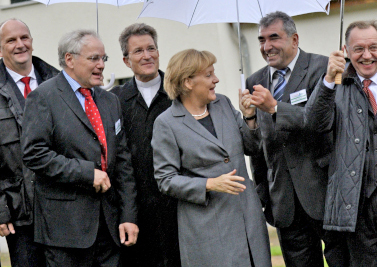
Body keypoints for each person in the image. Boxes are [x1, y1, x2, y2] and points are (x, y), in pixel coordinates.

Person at [21, 29, 139, 267]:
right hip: (66, 231)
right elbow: (34, 153)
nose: (101, 65)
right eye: (94, 58)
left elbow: (123, 163)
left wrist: (128, 216)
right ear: (69, 59)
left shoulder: (109, 101)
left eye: (103, 58)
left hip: (110, 227)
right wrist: (86, 173)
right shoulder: (43, 97)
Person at [244, 11, 348, 267]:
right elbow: (257, 149)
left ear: (294, 39)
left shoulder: (324, 69)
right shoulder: (254, 81)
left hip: (326, 195)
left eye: (274, 38)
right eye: (261, 40)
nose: (266, 47)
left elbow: (321, 122)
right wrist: (249, 120)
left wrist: (275, 108)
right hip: (284, 204)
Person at [151, 49, 271, 267]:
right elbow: (165, 179)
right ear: (188, 82)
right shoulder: (166, 123)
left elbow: (252, 147)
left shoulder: (223, 104)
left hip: (247, 218)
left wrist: (250, 117)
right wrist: (210, 184)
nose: (215, 79)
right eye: (208, 75)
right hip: (207, 228)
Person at [305, 20, 377, 266]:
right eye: (358, 49)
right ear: (346, 51)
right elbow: (314, 124)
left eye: (373, 47)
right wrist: (327, 79)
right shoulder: (335, 86)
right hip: (354, 204)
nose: (366, 55)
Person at [111, 23, 180, 267]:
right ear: (126, 60)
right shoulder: (114, 100)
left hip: (178, 207)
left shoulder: (179, 93)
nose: (147, 55)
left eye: (151, 48)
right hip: (135, 210)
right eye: (138, 51)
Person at [0, 18, 58, 267]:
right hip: (19, 213)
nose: (20, 44)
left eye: (24, 37)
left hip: (62, 208)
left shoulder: (59, 83)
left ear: (32, 42)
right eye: (11, 40)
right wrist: (1, 209)